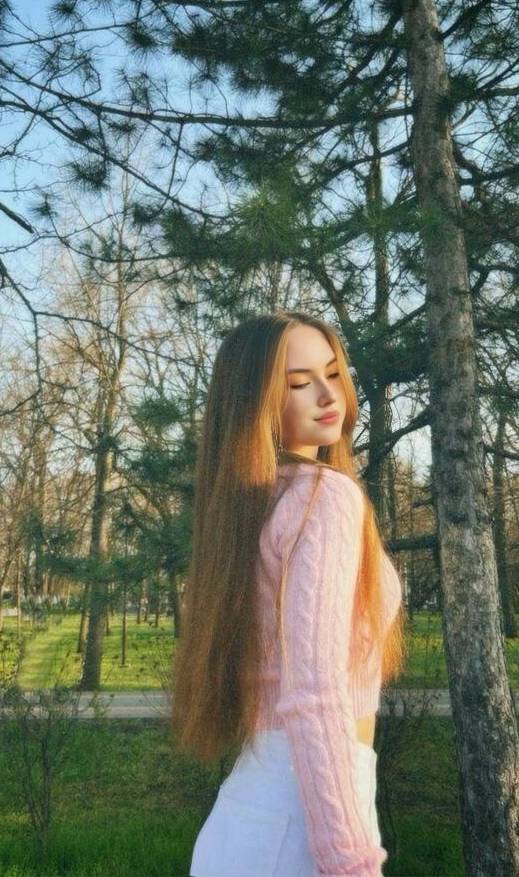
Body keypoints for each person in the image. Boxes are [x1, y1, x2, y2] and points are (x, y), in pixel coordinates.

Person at [171, 311, 406, 877]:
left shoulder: (249, 504)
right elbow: (315, 693)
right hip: (306, 821)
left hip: (248, 816)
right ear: (255, 402)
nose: (328, 395)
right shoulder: (323, 498)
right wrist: (349, 861)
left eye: (333, 373)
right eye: (299, 383)